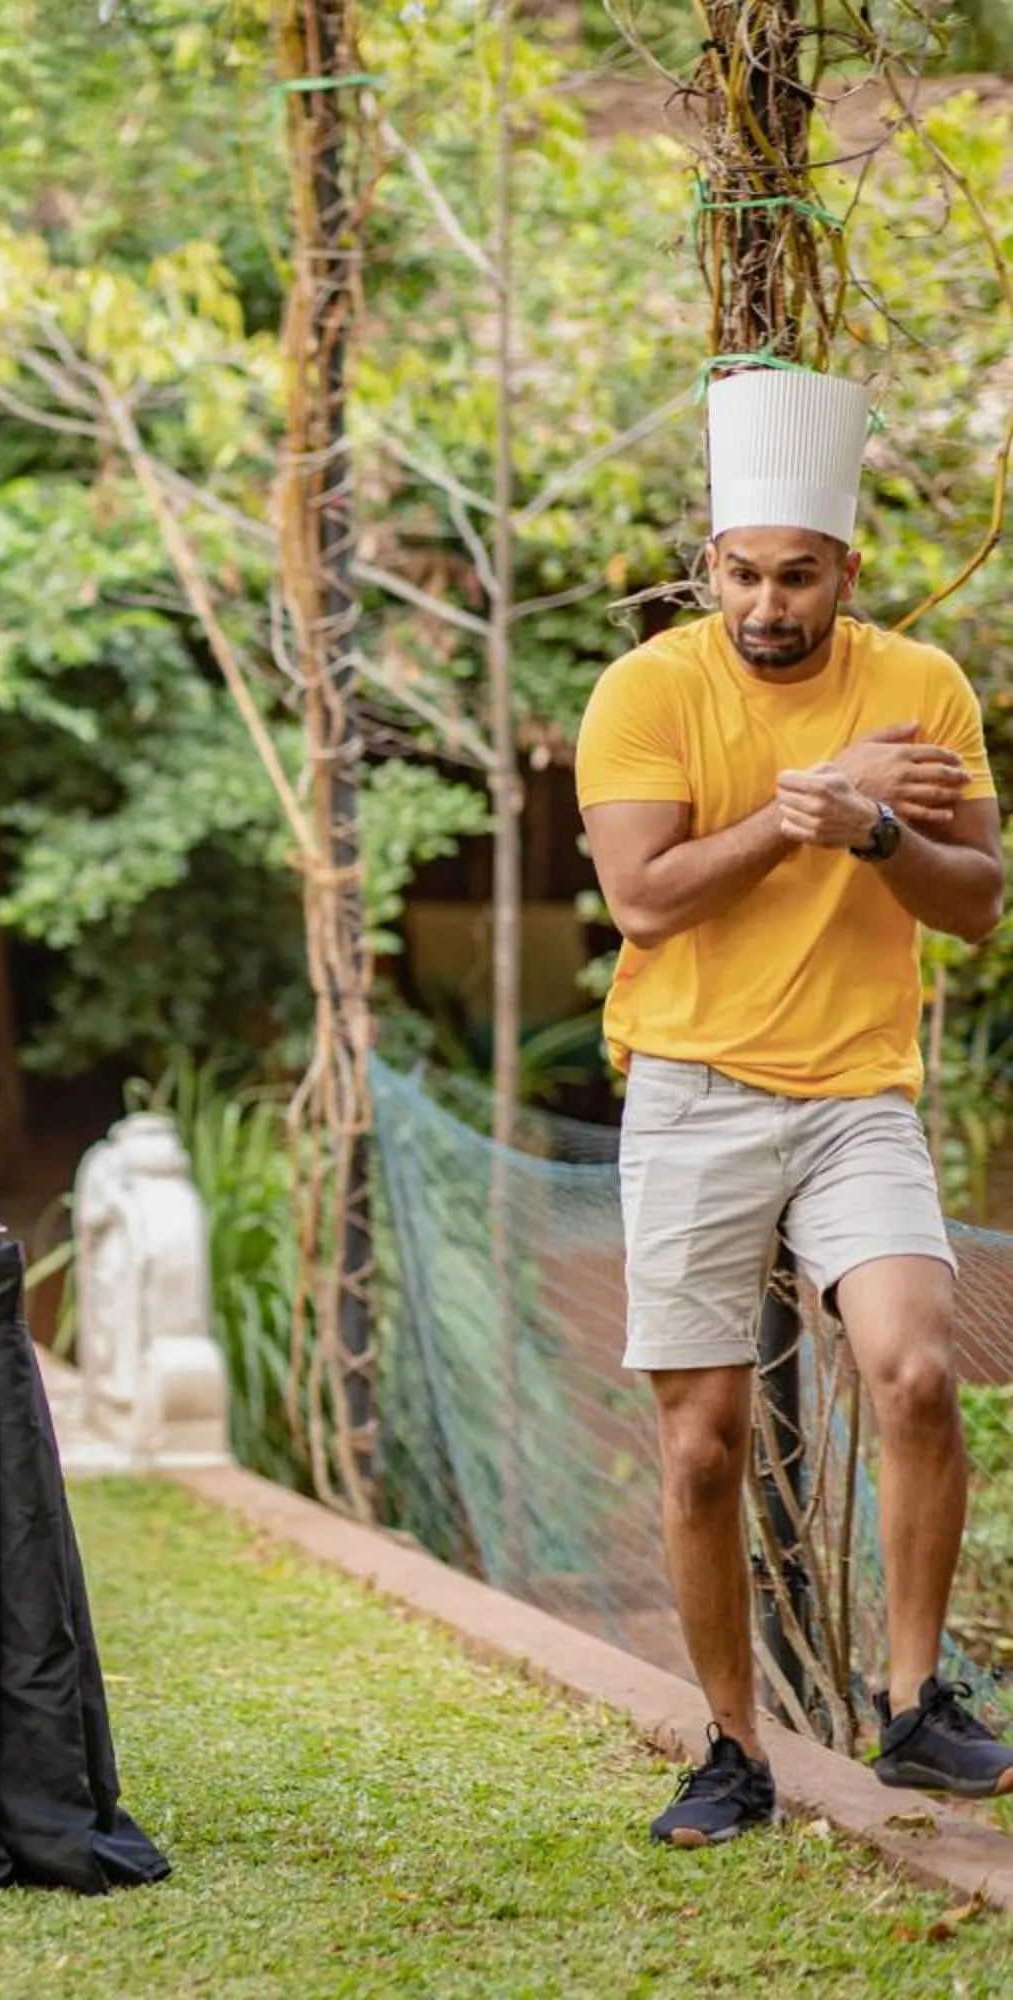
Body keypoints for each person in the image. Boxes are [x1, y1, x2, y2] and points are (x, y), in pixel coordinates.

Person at [578, 367, 1010, 1849]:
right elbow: (641, 902)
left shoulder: (922, 686)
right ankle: (730, 1747)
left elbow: (977, 909)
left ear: (848, 572)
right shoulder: (647, 691)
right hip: (692, 1095)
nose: (769, 603)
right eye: (744, 573)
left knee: (914, 1372)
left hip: (856, 1097)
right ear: (710, 568)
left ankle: (909, 1710)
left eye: (798, 576)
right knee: (700, 1444)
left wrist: (880, 827)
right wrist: (799, 807)